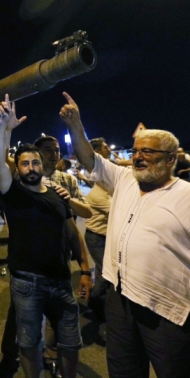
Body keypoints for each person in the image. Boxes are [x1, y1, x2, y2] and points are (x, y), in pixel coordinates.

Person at [59, 92, 190, 377]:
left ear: (170, 160)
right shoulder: (124, 180)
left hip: (167, 308)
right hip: (120, 300)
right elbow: (89, 159)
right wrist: (76, 125)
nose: (138, 158)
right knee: (123, 370)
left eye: (148, 152)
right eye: (136, 151)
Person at [0, 96, 92, 378]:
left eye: (36, 162)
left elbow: (73, 233)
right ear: (18, 169)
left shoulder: (59, 195)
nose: (32, 167)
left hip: (61, 281)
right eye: (25, 164)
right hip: (27, 282)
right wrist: (3, 128)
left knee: (71, 343)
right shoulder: (13, 193)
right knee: (29, 343)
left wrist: (84, 270)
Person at [84, 138, 113, 324]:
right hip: (97, 238)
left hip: (106, 237)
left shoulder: (108, 189)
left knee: (110, 273)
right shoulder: (98, 195)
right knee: (104, 273)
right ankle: (94, 301)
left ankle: (107, 304)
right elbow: (119, 213)